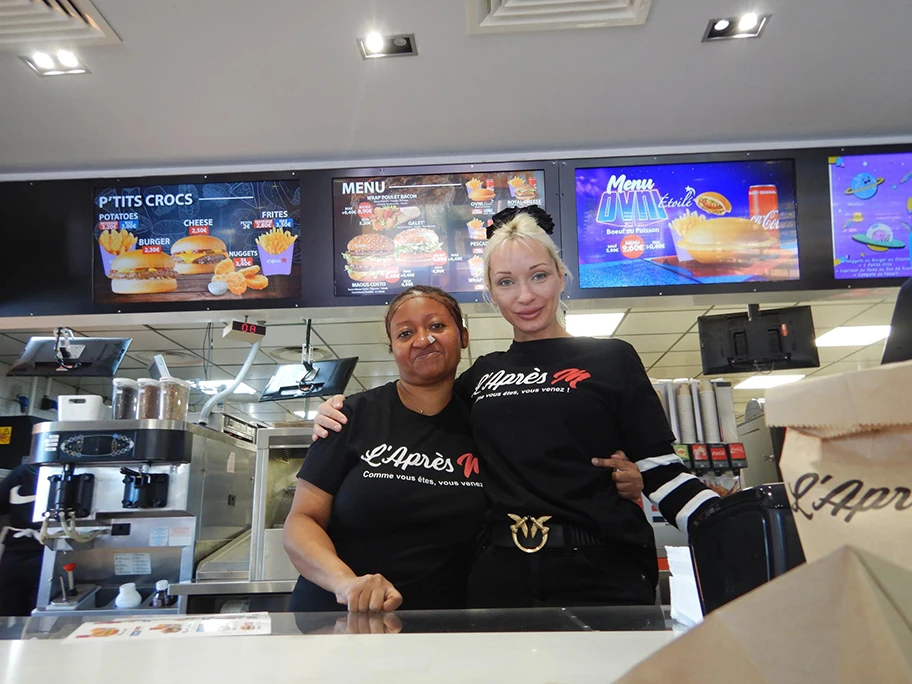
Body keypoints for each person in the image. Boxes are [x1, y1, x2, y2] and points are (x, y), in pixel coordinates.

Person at [314, 206, 719, 609]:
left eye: (538, 276)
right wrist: (337, 412)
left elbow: (659, 469)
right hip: (501, 575)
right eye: (506, 282)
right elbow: (414, 415)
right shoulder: (478, 379)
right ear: (491, 292)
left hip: (603, 569)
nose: (525, 296)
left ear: (562, 277)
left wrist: (724, 525)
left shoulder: (613, 358)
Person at [0, 463, 42, 616]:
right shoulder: (23, 472)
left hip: (19, 553)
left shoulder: (23, 472)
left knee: (10, 609)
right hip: (50, 549)